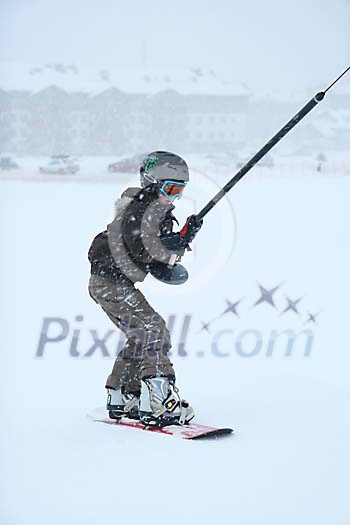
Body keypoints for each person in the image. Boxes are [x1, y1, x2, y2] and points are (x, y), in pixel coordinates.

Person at [88, 151, 202, 427]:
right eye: (170, 190)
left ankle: (125, 395)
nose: (174, 197)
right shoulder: (140, 211)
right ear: (152, 184)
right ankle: (158, 400)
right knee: (154, 330)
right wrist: (174, 243)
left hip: (111, 282)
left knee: (141, 335)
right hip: (111, 283)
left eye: (180, 191)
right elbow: (144, 247)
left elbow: (158, 257)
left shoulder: (151, 212)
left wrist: (183, 239)